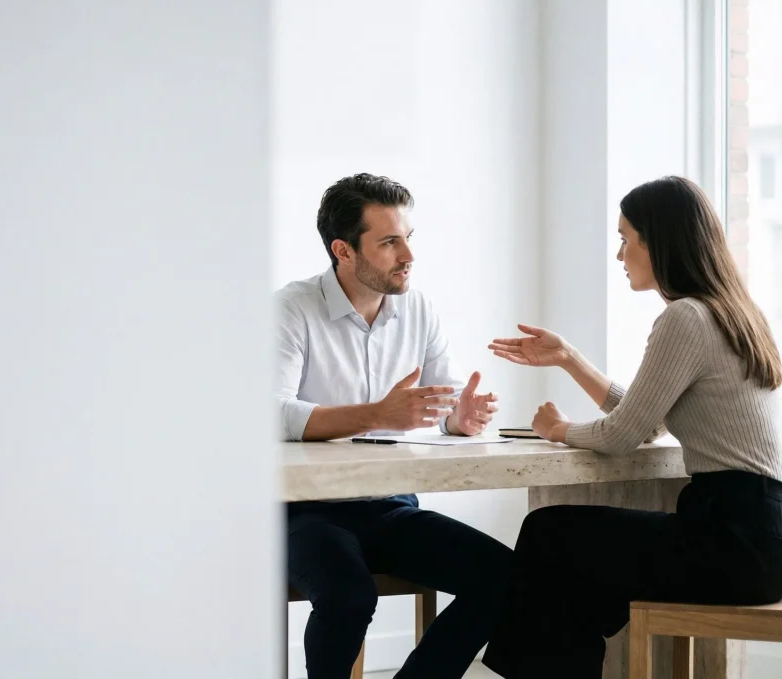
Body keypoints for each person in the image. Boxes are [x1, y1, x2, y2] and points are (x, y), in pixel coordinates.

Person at [482, 175, 782, 679]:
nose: (619, 255)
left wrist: (558, 429)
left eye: (625, 239)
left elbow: (622, 436)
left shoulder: (684, 318)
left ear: (657, 241)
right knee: (570, 563)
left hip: (730, 539)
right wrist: (570, 359)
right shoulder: (733, 313)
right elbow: (648, 422)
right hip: (759, 536)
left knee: (548, 534)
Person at [276, 173, 511, 679]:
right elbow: (273, 414)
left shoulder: (418, 307)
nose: (408, 254)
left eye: (408, 238)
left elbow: (437, 401)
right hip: (305, 513)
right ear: (343, 249)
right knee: (349, 596)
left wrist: (458, 417)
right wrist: (377, 414)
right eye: (389, 241)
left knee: (505, 577)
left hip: (390, 506)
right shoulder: (292, 308)